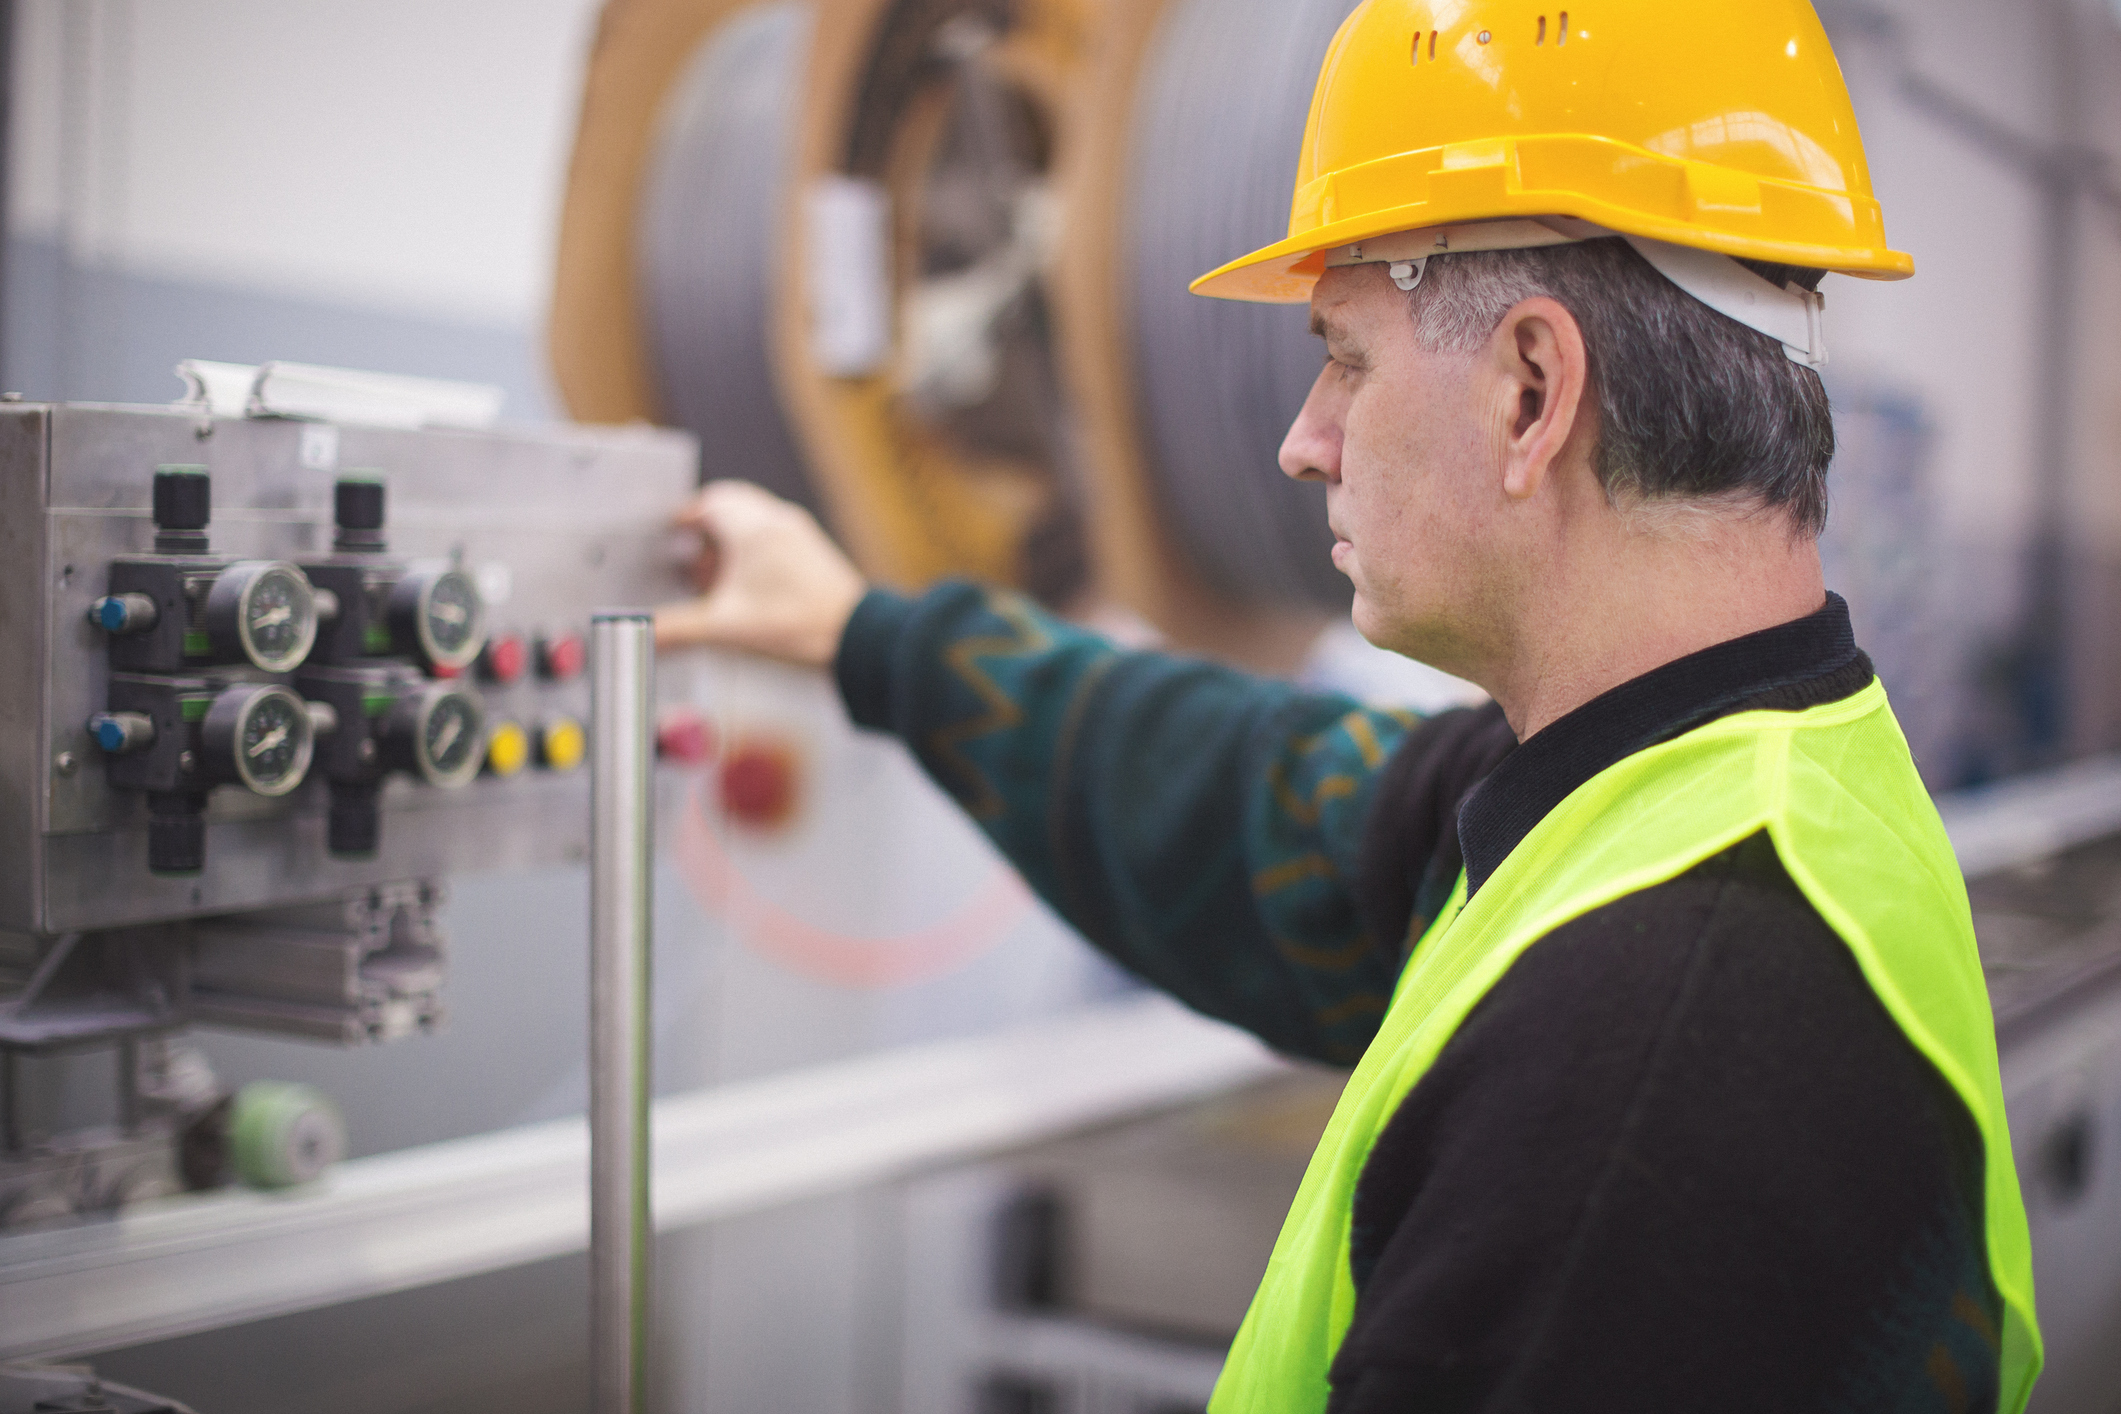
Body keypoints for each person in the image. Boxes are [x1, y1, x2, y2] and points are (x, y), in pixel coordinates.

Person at [655, 1, 2041, 1408]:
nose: (1298, 438)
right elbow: (1250, 808)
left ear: (1529, 391)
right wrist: (860, 635)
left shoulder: (1642, 1074)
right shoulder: (1692, 787)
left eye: (1345, 356)